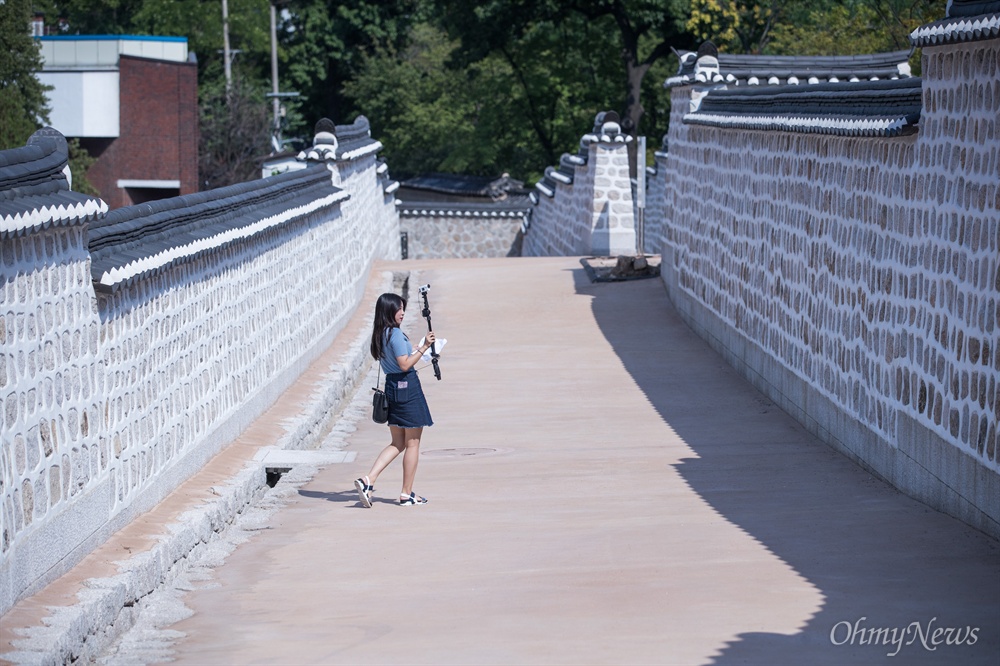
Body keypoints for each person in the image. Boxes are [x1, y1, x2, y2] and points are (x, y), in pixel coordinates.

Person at [355, 292, 436, 507]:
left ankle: (368, 479)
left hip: (392, 386)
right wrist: (425, 347)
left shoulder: (380, 334)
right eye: (399, 309)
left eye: (403, 309)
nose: (402, 313)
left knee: (398, 442)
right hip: (407, 387)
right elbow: (405, 365)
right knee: (413, 442)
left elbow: (400, 361)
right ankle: (406, 493)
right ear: (389, 311)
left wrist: (418, 350)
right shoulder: (396, 335)